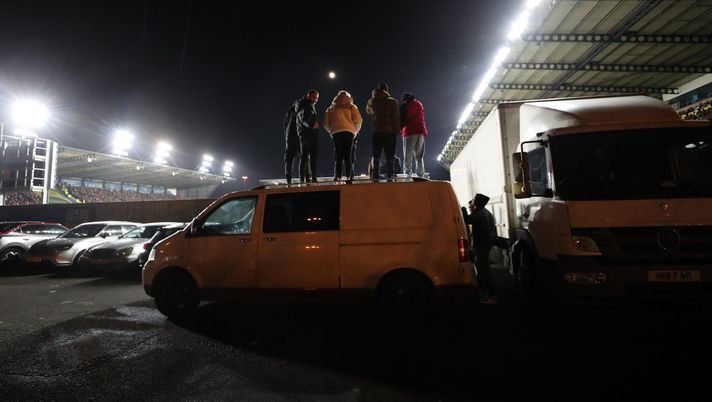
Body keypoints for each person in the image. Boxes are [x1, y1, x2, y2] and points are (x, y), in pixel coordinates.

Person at [463, 193, 497, 303]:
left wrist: (462, 209)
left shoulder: (479, 213)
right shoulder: (486, 212)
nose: (472, 201)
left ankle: (489, 293)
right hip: (486, 245)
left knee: (483, 270)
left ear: (477, 202)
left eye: (473, 200)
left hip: (482, 245)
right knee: (483, 268)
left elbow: (468, 220)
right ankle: (487, 292)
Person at [323, 90, 362, 182]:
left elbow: (325, 122)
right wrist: (354, 131)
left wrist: (331, 130)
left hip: (336, 132)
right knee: (347, 155)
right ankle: (349, 177)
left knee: (339, 155)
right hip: (349, 132)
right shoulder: (351, 106)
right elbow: (358, 120)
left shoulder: (331, 107)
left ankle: (338, 177)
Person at [366, 82, 400, 180]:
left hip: (376, 131)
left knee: (376, 155)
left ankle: (375, 174)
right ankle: (390, 174)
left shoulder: (371, 102)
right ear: (387, 90)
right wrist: (397, 131)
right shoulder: (392, 101)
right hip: (389, 132)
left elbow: (369, 112)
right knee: (390, 155)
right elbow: (396, 118)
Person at [400, 92, 428, 177]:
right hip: (420, 132)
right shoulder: (419, 104)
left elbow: (402, 120)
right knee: (419, 156)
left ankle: (408, 174)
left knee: (407, 156)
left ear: (405, 99)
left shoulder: (404, 106)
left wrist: (399, 128)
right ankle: (420, 174)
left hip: (409, 132)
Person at [295, 89, 320, 183]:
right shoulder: (306, 105)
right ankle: (312, 178)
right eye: (314, 97)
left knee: (305, 157)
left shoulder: (303, 104)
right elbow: (304, 118)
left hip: (303, 134)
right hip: (308, 135)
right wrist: (312, 125)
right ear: (308, 95)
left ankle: (305, 178)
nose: (316, 99)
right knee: (310, 157)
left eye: (317, 98)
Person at [283, 101, 302, 184]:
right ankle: (304, 179)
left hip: (290, 140)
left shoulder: (289, 114)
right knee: (304, 158)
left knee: (289, 161)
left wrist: (287, 138)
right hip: (297, 139)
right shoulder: (299, 114)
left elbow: (285, 126)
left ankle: (289, 181)